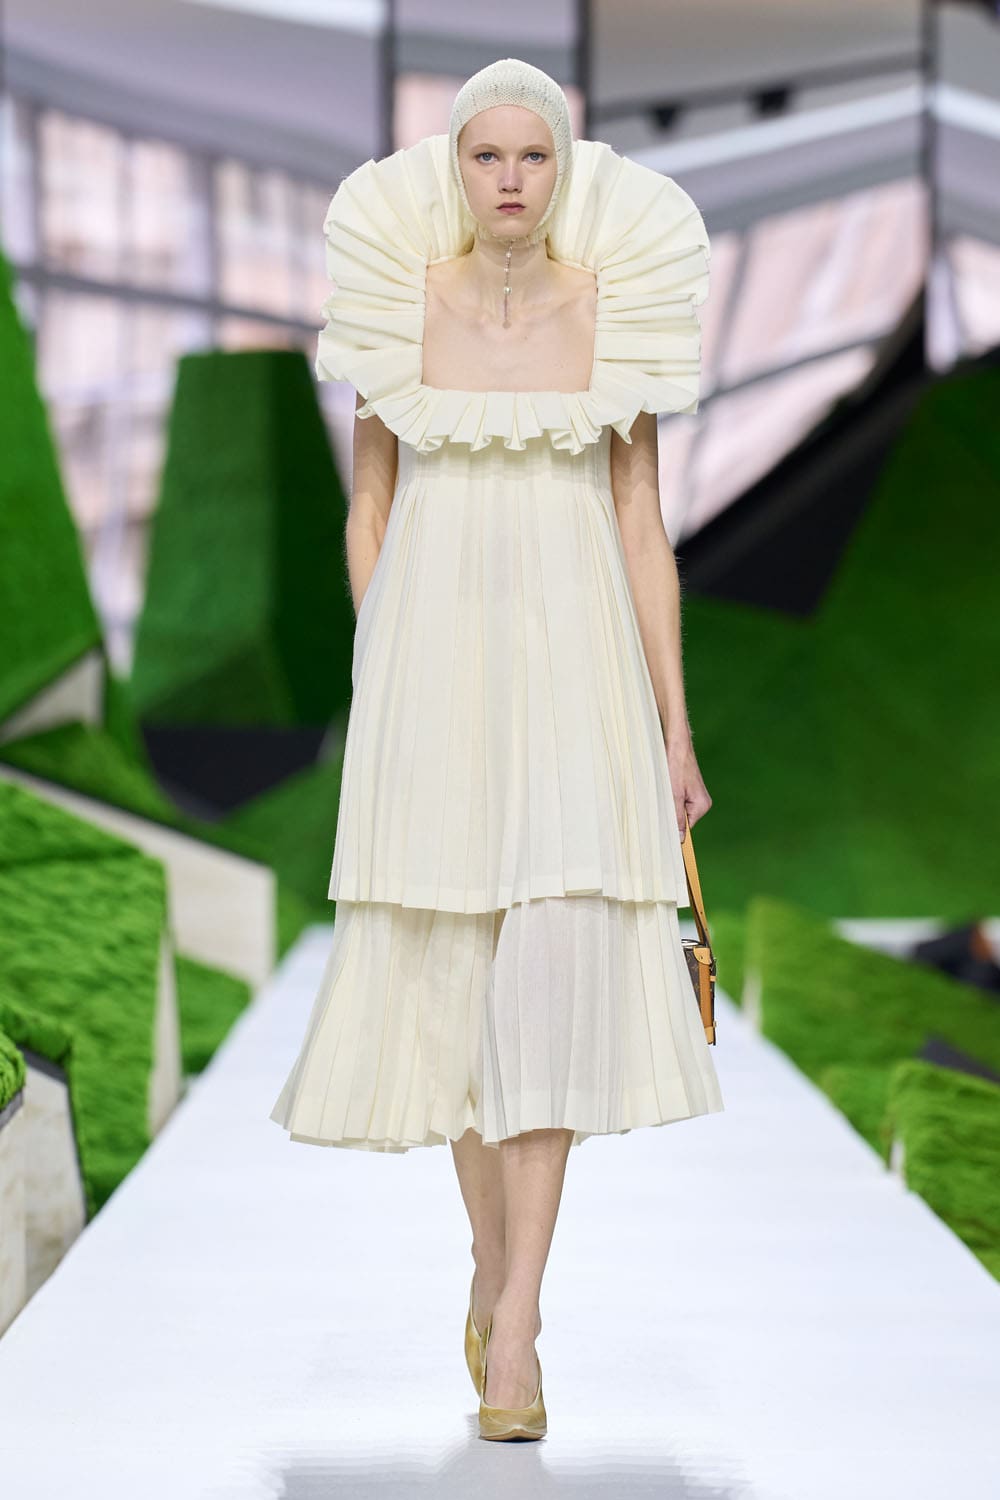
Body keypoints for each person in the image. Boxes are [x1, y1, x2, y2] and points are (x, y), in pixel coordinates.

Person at [270, 56, 724, 1442]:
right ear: (456, 167)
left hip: (578, 663)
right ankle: (489, 1264)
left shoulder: (612, 308)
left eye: (534, 156)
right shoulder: (398, 304)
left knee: (555, 984)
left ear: (563, 168)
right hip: (433, 669)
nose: (511, 179)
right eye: (488, 155)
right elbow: (368, 506)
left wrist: (675, 725)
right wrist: (384, 661)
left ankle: (518, 1319)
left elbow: (640, 520)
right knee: (460, 986)